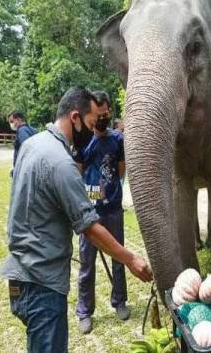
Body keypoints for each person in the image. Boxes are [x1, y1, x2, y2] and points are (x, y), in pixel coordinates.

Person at [0, 87, 152, 353]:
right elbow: (89, 228)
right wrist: (131, 260)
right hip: (42, 284)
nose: (94, 129)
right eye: (92, 123)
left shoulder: (32, 145)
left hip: (20, 276)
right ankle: (86, 309)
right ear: (75, 118)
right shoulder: (62, 162)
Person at [74, 91, 128, 334]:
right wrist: (91, 198)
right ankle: (85, 311)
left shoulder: (118, 139)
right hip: (89, 212)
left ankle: (120, 301)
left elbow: (121, 169)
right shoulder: (83, 142)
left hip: (113, 209)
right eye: (100, 115)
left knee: (119, 257)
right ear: (91, 115)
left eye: (107, 114)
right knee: (87, 263)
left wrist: (113, 192)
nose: (104, 118)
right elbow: (78, 173)